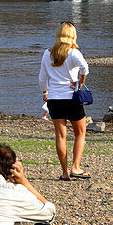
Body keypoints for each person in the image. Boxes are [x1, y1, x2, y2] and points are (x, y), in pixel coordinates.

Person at [38, 22, 90, 180]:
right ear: (72, 35)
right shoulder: (74, 52)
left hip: (54, 98)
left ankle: (65, 172)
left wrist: (45, 92)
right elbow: (85, 68)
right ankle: (76, 167)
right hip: (71, 98)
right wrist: (80, 83)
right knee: (80, 133)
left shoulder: (47, 53)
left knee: (61, 136)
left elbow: (42, 78)